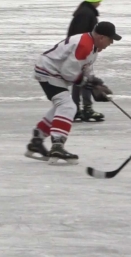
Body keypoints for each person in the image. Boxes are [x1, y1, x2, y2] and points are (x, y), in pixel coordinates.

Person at [26, 21, 121, 165]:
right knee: (68, 106)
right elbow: (68, 72)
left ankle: (37, 141)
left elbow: (85, 68)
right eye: (110, 39)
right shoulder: (85, 45)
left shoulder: (92, 46)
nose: (111, 43)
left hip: (52, 72)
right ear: (101, 37)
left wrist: (95, 83)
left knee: (61, 107)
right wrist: (88, 84)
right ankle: (57, 146)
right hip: (48, 71)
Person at [68, 0, 105, 122]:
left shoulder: (85, 12)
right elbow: (83, 35)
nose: (100, 3)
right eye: (99, 0)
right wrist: (93, 47)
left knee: (80, 80)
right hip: (81, 52)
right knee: (85, 79)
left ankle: (76, 109)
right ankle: (86, 109)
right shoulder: (86, 14)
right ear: (95, 0)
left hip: (79, 51)